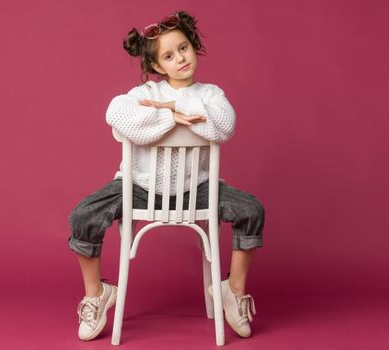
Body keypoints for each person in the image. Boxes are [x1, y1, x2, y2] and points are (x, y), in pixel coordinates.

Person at [68, 10, 265, 341]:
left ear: (193, 46)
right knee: (82, 215)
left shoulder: (211, 93)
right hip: (139, 187)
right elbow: (115, 113)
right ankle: (97, 294)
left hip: (197, 189)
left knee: (252, 210)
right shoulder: (147, 93)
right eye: (169, 56)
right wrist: (170, 114)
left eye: (184, 48)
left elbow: (226, 124)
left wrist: (171, 114)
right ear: (158, 66)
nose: (180, 59)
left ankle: (232, 289)